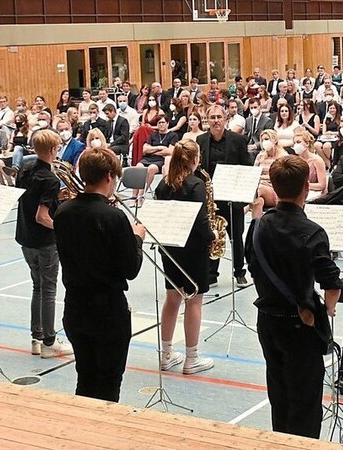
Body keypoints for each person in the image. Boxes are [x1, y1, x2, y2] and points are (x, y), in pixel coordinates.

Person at [245, 155, 341, 438]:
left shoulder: (259, 225)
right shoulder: (312, 232)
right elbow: (331, 283)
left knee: (280, 394)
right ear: (305, 188)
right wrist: (329, 309)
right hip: (301, 325)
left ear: (274, 187)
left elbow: (252, 264)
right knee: (306, 402)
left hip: (268, 321)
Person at [55, 147, 146, 402]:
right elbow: (131, 269)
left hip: (74, 307)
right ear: (108, 176)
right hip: (107, 312)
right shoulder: (113, 217)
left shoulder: (63, 212)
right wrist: (136, 238)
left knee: (85, 378)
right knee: (108, 384)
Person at [154, 140, 215, 374]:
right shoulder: (195, 184)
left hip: (170, 247)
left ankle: (166, 354)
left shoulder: (163, 184)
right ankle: (192, 358)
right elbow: (200, 221)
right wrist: (212, 236)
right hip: (193, 249)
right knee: (194, 300)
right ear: (194, 160)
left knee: (172, 298)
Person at [15, 130, 73, 359]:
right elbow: (42, 216)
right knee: (48, 290)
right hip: (44, 241)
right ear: (52, 150)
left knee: (37, 286)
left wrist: (55, 200)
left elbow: (32, 200)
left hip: (25, 238)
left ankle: (36, 338)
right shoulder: (50, 179)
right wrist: (64, 229)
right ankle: (49, 342)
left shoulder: (25, 171)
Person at [197, 105, 253, 287]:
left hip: (232, 196)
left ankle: (239, 272)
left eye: (218, 117)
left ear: (225, 119)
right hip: (211, 198)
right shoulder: (201, 140)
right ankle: (211, 273)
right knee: (211, 234)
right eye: (211, 117)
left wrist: (244, 196)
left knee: (235, 236)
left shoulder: (237, 140)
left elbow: (246, 167)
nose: (215, 121)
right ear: (207, 120)